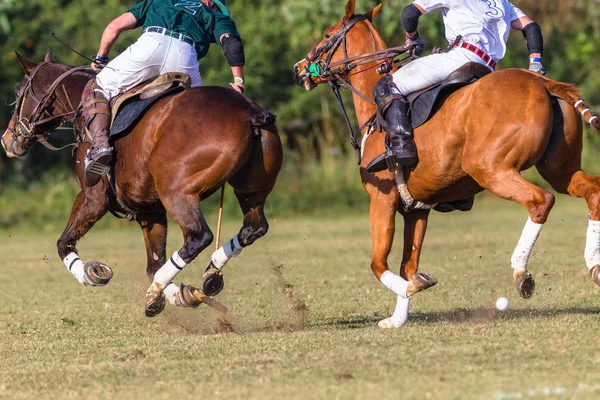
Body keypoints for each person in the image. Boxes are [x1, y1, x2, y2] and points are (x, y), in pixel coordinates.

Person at [367, 0, 546, 173]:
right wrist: (535, 63)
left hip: (459, 57)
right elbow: (531, 27)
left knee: (387, 85)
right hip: (489, 68)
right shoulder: (503, 4)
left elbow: (409, 14)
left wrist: (412, 38)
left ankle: (401, 145)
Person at [82, 0, 245, 186]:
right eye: (216, 6)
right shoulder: (215, 16)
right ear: (208, 1)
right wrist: (238, 84)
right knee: (199, 112)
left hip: (151, 46)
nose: (215, 9)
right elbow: (232, 45)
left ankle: (101, 147)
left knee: (99, 86)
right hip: (185, 56)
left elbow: (114, 26)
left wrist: (101, 58)